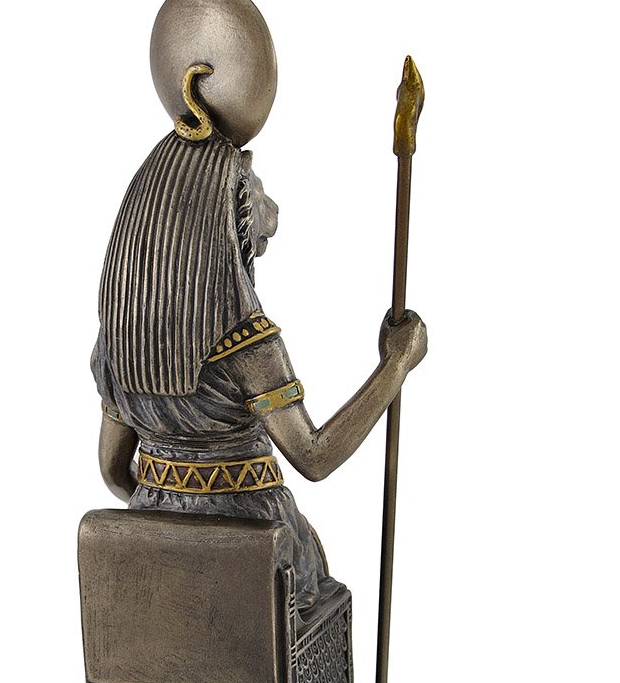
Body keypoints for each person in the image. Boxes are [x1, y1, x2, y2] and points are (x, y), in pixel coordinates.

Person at [92, 126, 426, 613]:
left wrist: (172, 521)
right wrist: (396, 365)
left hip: (152, 554)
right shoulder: (248, 344)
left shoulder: (117, 343)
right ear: (224, 220)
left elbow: (112, 470)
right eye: (257, 193)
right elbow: (314, 457)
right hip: (256, 546)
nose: (272, 212)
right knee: (307, 597)